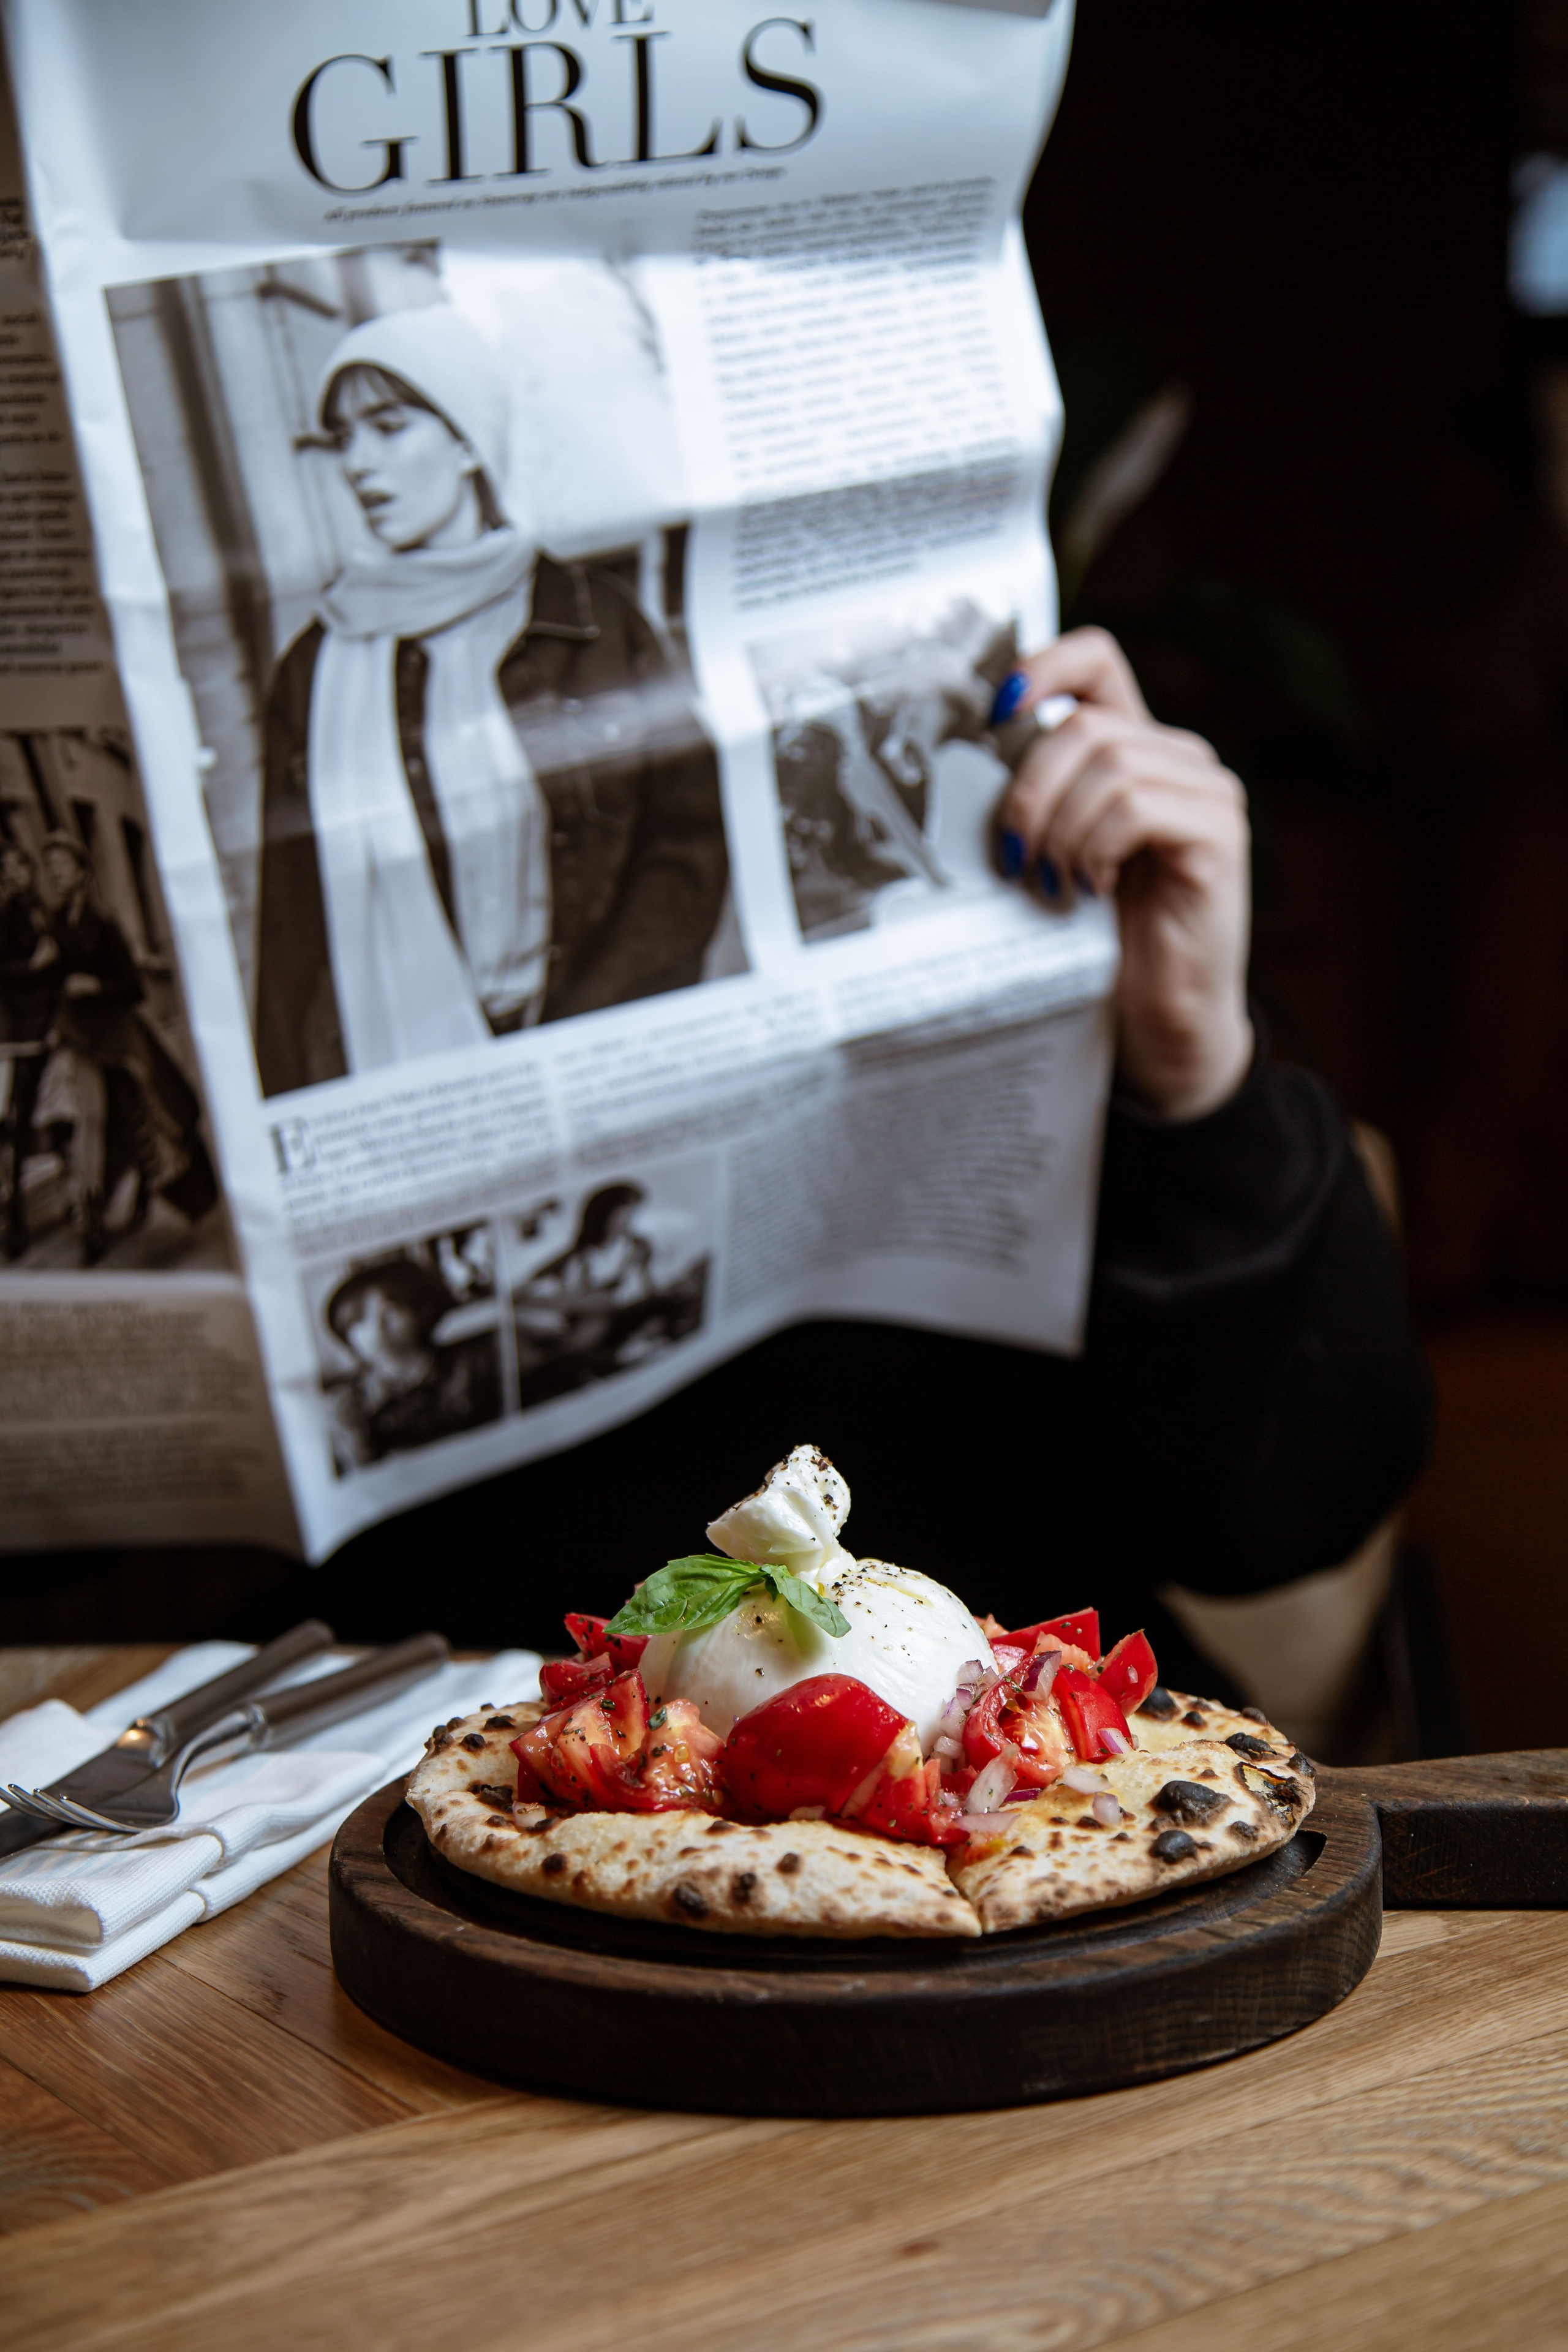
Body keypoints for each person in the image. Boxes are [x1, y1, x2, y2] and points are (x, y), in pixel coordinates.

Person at [293, 624, 1431, 1678]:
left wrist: (1189, 1059)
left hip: (1021, 1758)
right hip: (418, 1724)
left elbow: (1297, 1508)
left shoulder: (1036, 941)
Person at [254, 306, 728, 1097]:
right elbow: (291, 922)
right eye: (344, 438)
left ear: (469, 442)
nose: (358, 465)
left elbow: (685, 850)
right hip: (415, 1076)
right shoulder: (311, 669)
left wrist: (586, 1033)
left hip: (600, 1050)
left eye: (389, 426)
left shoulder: (598, 623)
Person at [325, 1254, 502, 1472]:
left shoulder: (470, 1364)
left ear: (422, 1311)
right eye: (359, 1319)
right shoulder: (352, 1404)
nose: (376, 1328)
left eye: (390, 1311)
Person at [0, 843, 56, 1258]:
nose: (19, 873)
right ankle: (15, 1217)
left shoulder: (41, 909)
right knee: (15, 1123)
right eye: (10, 869)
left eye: (22, 864)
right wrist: (35, 966)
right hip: (18, 1034)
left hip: (49, 1027)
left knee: (45, 1113)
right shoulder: (6, 914)